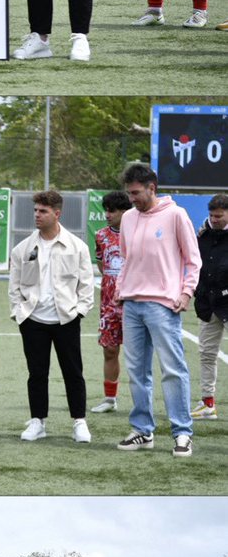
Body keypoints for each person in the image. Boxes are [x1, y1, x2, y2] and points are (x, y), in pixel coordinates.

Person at [115, 163, 201, 457]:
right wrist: (120, 291)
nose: (132, 199)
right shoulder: (127, 218)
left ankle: (182, 433)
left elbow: (193, 260)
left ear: (152, 188)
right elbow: (127, 259)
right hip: (131, 304)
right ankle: (143, 430)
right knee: (137, 372)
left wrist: (186, 293)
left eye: (136, 193)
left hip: (163, 305)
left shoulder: (176, 215)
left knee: (173, 370)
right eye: (129, 194)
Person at [9, 188, 94, 443]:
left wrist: (79, 311)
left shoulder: (77, 247)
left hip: (66, 319)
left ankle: (79, 422)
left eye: (43, 211)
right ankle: (38, 421)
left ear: (57, 213)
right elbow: (14, 285)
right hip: (33, 320)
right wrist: (18, 312)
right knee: (37, 374)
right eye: (35, 210)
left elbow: (86, 285)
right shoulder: (22, 248)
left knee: (73, 372)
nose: (37, 215)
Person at [91, 190, 130, 413]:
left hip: (132, 301)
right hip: (108, 304)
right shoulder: (101, 235)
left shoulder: (136, 233)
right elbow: (101, 265)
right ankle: (109, 399)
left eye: (112, 210)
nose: (107, 214)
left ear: (125, 212)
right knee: (109, 350)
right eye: (106, 210)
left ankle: (140, 398)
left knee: (136, 353)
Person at [191, 194, 228, 419]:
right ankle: (208, 403)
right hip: (208, 302)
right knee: (206, 353)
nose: (214, 219)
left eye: (219, 216)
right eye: (212, 215)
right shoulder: (201, 233)